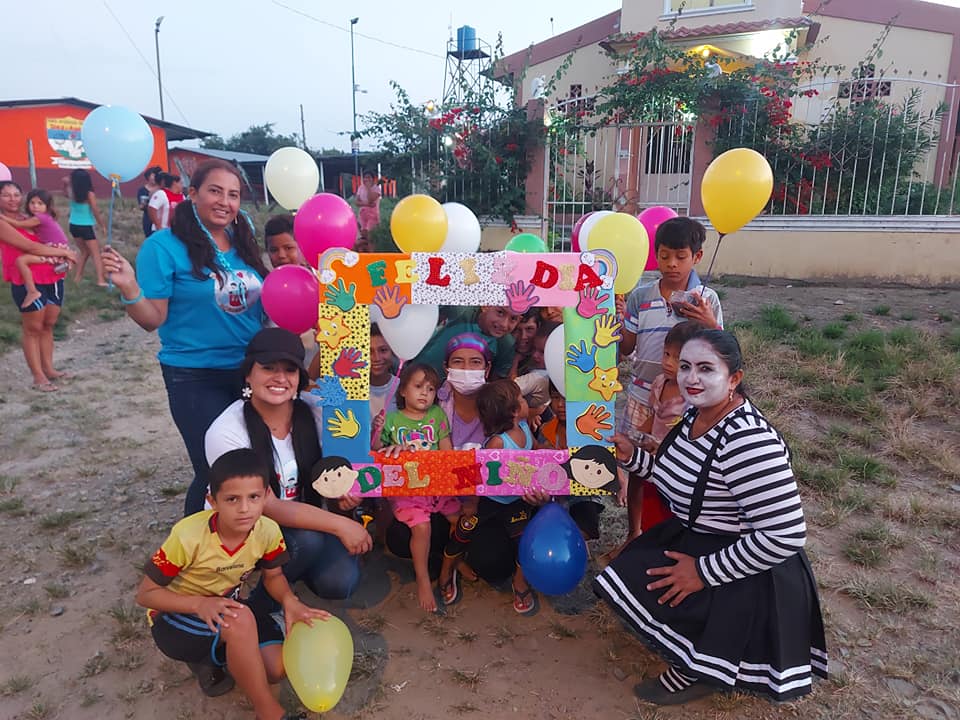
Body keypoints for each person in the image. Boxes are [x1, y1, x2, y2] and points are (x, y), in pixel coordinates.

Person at [596, 329, 827, 705]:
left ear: (734, 378)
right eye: (685, 367)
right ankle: (697, 649)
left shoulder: (748, 441)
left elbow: (785, 535)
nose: (691, 378)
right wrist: (632, 459)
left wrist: (702, 572)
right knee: (639, 570)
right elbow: (680, 480)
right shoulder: (695, 415)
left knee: (668, 580)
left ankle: (703, 668)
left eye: (706, 369)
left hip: (753, 567)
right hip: (704, 536)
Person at [101, 159, 269, 516]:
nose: (225, 201)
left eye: (233, 195)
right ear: (192, 194)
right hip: (195, 376)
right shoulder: (163, 247)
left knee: (255, 464)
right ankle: (193, 544)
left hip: (251, 371)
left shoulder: (243, 242)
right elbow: (152, 319)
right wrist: (129, 287)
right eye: (215, 191)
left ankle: (252, 540)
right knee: (216, 470)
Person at [136, 447, 325, 720]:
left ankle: (220, 655)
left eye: (254, 497)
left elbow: (273, 576)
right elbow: (146, 595)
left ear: (266, 496)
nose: (245, 508)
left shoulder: (268, 530)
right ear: (212, 501)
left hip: (226, 607)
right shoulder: (188, 537)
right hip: (174, 617)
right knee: (240, 619)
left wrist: (289, 600)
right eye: (232, 499)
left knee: (275, 668)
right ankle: (269, 712)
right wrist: (199, 604)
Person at [204, 327, 370, 607]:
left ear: (299, 377)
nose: (280, 378)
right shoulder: (227, 431)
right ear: (248, 374)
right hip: (247, 526)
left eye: (290, 370)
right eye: (268, 368)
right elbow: (266, 506)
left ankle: (289, 568)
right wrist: (341, 525)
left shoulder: (317, 411)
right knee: (307, 541)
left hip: (305, 520)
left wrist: (345, 494)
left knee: (341, 582)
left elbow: (349, 459)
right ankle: (261, 605)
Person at [379, 362, 457, 612]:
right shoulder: (391, 419)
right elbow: (378, 453)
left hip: (435, 487)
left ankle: (453, 561)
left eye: (431, 389)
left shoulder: (437, 415)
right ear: (403, 390)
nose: (425, 393)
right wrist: (379, 435)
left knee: (461, 519)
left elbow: (447, 451)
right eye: (418, 386)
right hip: (407, 492)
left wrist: (449, 480)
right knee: (421, 528)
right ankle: (423, 579)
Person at [626, 320, 705, 540]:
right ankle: (635, 532)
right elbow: (655, 416)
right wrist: (635, 434)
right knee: (638, 482)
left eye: (677, 358)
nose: (668, 362)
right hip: (651, 455)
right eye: (666, 354)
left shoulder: (693, 396)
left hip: (676, 463)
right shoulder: (660, 382)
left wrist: (660, 446)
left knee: (665, 508)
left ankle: (664, 540)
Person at [475, 379, 545, 615]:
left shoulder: (524, 426)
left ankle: (520, 581)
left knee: (525, 540)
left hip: (520, 501)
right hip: (495, 505)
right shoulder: (497, 443)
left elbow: (536, 449)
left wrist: (554, 455)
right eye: (522, 399)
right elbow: (487, 478)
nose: (526, 402)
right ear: (514, 410)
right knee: (496, 547)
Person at [0, 181, 77, 391]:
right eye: (6, 195)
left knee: (48, 324)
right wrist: (65, 252)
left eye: (16, 194)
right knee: (33, 328)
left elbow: (51, 237)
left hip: (52, 276)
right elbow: (30, 247)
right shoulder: (3, 222)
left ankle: (49, 369)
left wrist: (63, 257)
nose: (12, 199)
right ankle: (38, 376)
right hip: (26, 279)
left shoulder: (30, 218)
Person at [0, 189, 72, 309]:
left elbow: (19, 225)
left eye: (40, 203)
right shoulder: (43, 217)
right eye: (32, 203)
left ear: (47, 206)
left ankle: (32, 291)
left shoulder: (40, 218)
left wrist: (3, 217)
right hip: (57, 248)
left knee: (21, 261)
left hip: (54, 249)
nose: (35, 206)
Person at [414, 305, 521, 382]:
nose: (504, 324)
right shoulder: (460, 309)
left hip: (447, 396)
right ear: (486, 305)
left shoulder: (506, 344)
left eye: (513, 318)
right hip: (412, 371)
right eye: (500, 312)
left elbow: (496, 383)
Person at [66, 168, 106, 286]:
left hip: (73, 225)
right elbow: (95, 210)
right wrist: (102, 225)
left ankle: (77, 278)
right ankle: (100, 280)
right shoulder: (89, 194)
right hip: (86, 225)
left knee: (84, 251)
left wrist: (66, 184)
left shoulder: (72, 191)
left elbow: (65, 192)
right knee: (96, 253)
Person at [354, 170, 381, 242]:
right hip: (362, 214)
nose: (366, 179)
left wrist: (369, 188)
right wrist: (367, 204)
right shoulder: (360, 188)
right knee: (363, 235)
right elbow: (357, 202)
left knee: (370, 235)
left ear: (373, 179)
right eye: (365, 177)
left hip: (372, 215)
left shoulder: (376, 189)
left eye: (368, 177)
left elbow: (371, 200)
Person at [137, 165, 163, 238]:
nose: (155, 177)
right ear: (148, 177)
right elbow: (141, 206)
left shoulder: (162, 189)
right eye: (153, 175)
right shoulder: (142, 190)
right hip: (149, 219)